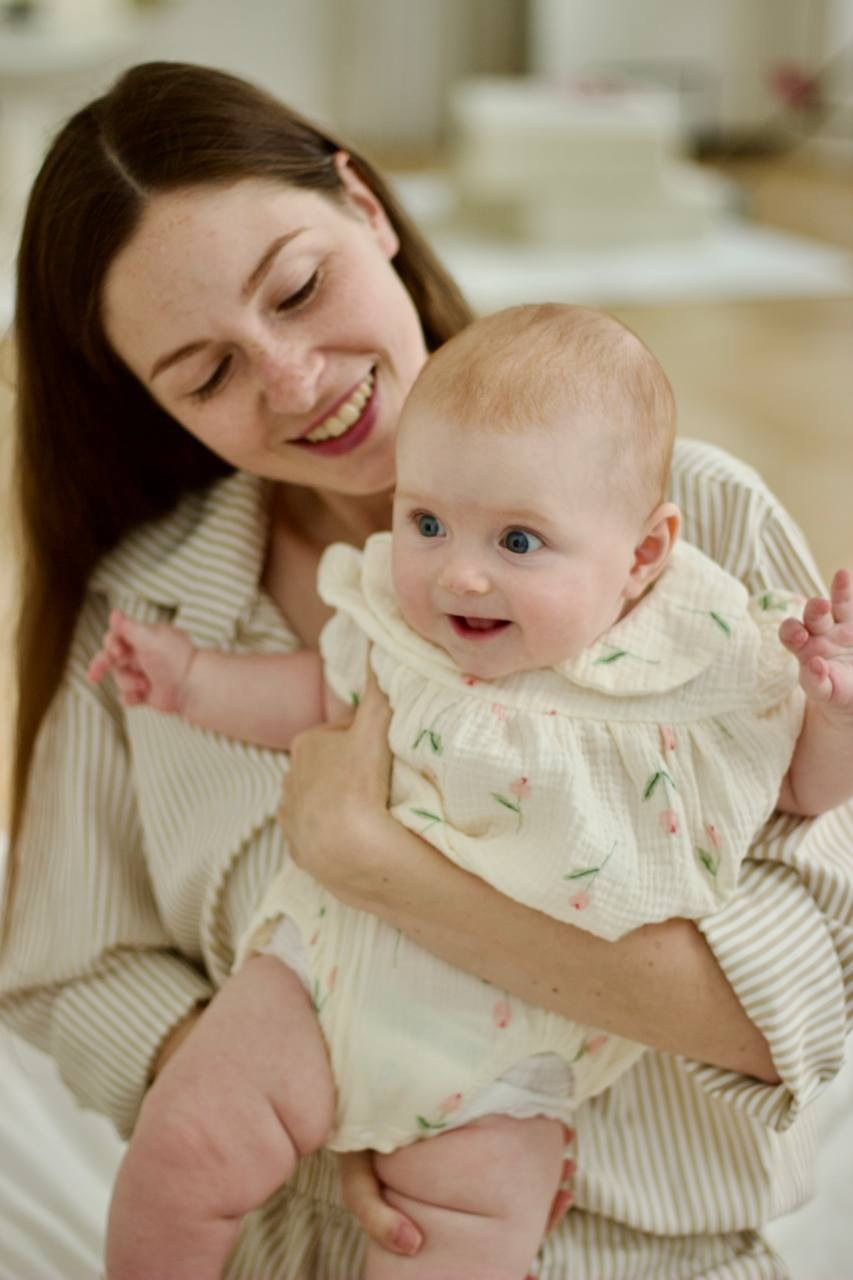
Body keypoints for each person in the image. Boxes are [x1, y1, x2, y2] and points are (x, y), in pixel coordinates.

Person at [0, 59, 850, 1280]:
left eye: (297, 288)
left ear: (364, 207)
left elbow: (811, 985)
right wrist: (312, 1087)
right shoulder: (151, 608)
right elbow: (70, 970)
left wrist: (378, 870)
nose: (293, 381)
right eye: (207, 373)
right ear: (153, 408)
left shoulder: (687, 525)